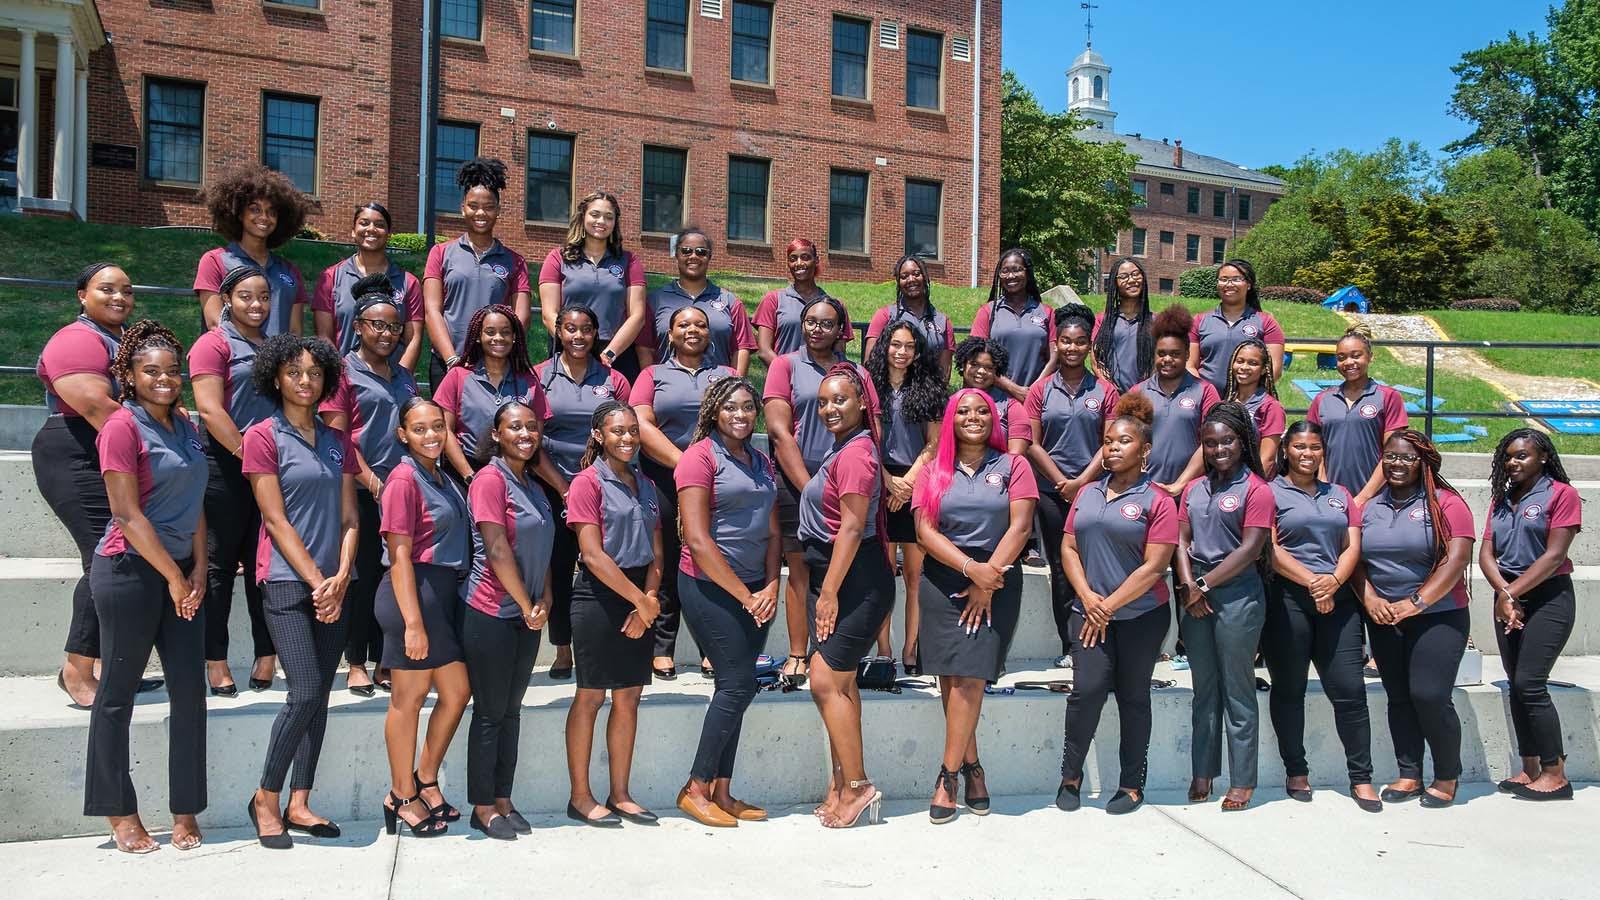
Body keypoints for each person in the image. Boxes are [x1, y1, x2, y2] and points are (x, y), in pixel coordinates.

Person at [84, 321, 208, 853]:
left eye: (171, 371)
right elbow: (127, 515)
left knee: (190, 693)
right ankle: (119, 811)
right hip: (130, 573)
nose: (163, 379)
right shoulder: (121, 427)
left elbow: (196, 501)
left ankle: (185, 810)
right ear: (128, 376)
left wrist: (200, 570)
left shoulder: (187, 425)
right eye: (149, 371)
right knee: (115, 696)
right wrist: (176, 576)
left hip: (182, 574)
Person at [241, 334, 360, 849]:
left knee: (321, 699)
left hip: (337, 584)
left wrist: (341, 576)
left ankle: (300, 801)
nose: (305, 381)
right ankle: (265, 797)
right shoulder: (262, 435)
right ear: (275, 377)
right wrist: (318, 582)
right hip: (290, 584)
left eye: (314, 373)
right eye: (294, 373)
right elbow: (274, 517)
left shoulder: (338, 441)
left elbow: (352, 516)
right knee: (305, 690)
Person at [35, 263, 162, 708]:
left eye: (127, 290)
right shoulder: (76, 339)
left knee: (121, 557)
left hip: (115, 452)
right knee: (105, 557)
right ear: (81, 295)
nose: (119, 297)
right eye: (106, 289)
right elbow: (95, 405)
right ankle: (77, 670)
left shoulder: (125, 342)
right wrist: (159, 447)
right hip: (75, 451)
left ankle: (109, 664)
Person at [913, 389, 1037, 823]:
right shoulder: (933, 470)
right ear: (950, 420)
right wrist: (970, 570)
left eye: (982, 410)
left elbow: (1020, 526)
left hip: (997, 579)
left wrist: (988, 578)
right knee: (950, 680)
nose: (973, 417)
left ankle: (946, 776)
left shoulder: (1014, 466)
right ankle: (973, 767)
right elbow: (925, 532)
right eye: (963, 411)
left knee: (970, 680)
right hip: (944, 579)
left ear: (994, 418)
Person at [1056, 393, 1177, 816]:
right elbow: (1068, 548)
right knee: (1086, 692)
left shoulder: (1159, 501)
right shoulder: (1087, 493)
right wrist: (1089, 599)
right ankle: (1070, 778)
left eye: (1122, 441)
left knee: (1133, 697)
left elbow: (1155, 567)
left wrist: (1106, 607)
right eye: (1108, 441)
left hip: (1140, 617)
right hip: (1087, 613)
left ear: (1144, 450)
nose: (1112, 448)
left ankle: (1131, 785)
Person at [673, 377, 782, 828]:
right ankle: (694, 787)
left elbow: (775, 529)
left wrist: (772, 585)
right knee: (738, 685)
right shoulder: (698, 459)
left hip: (757, 588)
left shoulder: (760, 460)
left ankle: (721, 789)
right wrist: (746, 595)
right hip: (709, 587)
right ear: (714, 412)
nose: (741, 415)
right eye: (731, 408)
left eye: (749, 408)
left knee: (735, 688)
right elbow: (697, 539)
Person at [762, 296, 879, 687]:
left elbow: (874, 424)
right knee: (800, 568)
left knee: (845, 561)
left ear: (841, 329)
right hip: (801, 480)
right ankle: (799, 652)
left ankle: (833, 648)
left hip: (845, 476)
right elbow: (778, 430)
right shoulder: (785, 364)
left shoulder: (856, 372)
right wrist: (809, 485)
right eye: (811, 321)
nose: (817, 329)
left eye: (827, 323)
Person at [1264, 421, 1379, 812]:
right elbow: (1271, 550)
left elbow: (1352, 546)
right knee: (1289, 690)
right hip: (1289, 600)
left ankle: (1361, 777)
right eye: (1299, 447)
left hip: (1339, 601)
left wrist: (1332, 582)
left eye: (1314, 447)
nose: (1307, 454)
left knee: (1349, 691)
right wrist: (1315, 582)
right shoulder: (1269, 493)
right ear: (1286, 450)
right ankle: (1296, 770)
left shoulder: (1340, 494)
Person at [800, 364, 894, 829]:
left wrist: (829, 593)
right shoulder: (844, 448)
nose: (829, 408)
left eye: (840, 399)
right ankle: (841, 783)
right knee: (842, 683)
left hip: (856, 583)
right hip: (839, 579)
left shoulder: (856, 454)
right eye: (822, 402)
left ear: (861, 403)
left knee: (824, 680)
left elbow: (853, 527)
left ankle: (857, 786)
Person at [1360, 430, 1474, 809]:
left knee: (1429, 695)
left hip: (1438, 615)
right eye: (1390, 456)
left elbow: (1456, 560)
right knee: (1399, 697)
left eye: (1406, 458)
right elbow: (1354, 559)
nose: (1396, 464)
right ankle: (1409, 773)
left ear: (1425, 462)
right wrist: (1370, 597)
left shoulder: (1447, 503)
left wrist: (1417, 602)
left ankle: (1446, 775)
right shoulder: (1370, 507)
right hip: (1384, 615)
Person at [563, 402, 664, 827]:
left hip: (641, 593)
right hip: (598, 596)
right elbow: (592, 554)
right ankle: (581, 797)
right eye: (617, 431)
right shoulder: (587, 483)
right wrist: (640, 601)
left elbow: (659, 552)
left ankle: (620, 793)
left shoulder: (646, 484)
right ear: (599, 436)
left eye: (632, 431)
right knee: (590, 697)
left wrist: (650, 598)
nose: (626, 438)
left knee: (629, 697)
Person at [375, 398, 472, 838]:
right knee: (408, 701)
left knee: (456, 692)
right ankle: (401, 795)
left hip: (442, 595)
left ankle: (425, 777)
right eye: (420, 429)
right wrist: (413, 623)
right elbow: (399, 556)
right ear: (403, 434)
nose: (432, 435)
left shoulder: (440, 476)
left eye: (438, 426)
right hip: (413, 595)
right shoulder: (402, 479)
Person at [320, 276, 421, 696]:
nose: (386, 333)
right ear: (358, 326)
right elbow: (337, 435)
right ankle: (356, 661)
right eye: (376, 325)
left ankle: (386, 659)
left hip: (400, 491)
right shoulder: (343, 372)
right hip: (358, 489)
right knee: (360, 576)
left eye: (393, 327)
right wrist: (373, 480)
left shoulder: (403, 376)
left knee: (392, 576)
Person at [461, 401, 556, 840]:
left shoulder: (533, 485)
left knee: (512, 712)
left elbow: (544, 550)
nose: (525, 433)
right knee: (490, 713)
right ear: (496, 434)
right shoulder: (488, 479)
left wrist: (545, 599)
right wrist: (524, 603)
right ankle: (482, 806)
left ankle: (503, 797)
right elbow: (496, 548)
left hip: (528, 613)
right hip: (492, 612)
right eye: (514, 427)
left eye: (532, 427)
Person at [1176, 402, 1273, 812]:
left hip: (1237, 595)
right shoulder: (1194, 490)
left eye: (1227, 441)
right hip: (1195, 595)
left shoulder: (1257, 490)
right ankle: (1203, 770)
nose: (1218, 449)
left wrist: (1201, 584)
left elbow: (1251, 549)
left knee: (1237, 689)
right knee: (1204, 688)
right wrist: (1188, 586)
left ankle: (1243, 779)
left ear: (1243, 441)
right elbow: (1179, 540)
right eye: (1211, 443)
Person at [188, 267, 281, 695]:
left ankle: (267, 654)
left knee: (265, 565)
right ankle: (216, 660)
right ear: (227, 298)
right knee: (221, 567)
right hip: (227, 467)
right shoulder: (214, 343)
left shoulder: (276, 347)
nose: (257, 305)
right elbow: (209, 409)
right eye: (246, 296)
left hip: (271, 469)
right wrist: (250, 457)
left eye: (263, 297)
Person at [631, 305, 736, 678]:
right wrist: (685, 463)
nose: (693, 330)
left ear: (710, 334)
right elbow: (641, 424)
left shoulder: (725, 374)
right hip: (662, 478)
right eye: (683, 324)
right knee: (667, 561)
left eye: (700, 325)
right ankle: (662, 646)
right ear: (670, 334)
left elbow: (740, 420)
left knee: (712, 559)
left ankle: (712, 645)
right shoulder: (651, 375)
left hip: (718, 480)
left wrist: (704, 470)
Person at [1482, 429, 1582, 801]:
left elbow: (1554, 555)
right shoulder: (1502, 499)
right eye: (1509, 456)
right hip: (1507, 597)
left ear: (1543, 457)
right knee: (1515, 684)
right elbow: (1486, 554)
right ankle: (1530, 767)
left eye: (1522, 455)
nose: (1513, 462)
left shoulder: (1562, 494)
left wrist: (1511, 593)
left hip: (1548, 597)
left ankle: (1556, 773)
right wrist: (1504, 594)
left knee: (1530, 683)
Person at [536, 304, 633, 679]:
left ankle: (609, 641)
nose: (578, 336)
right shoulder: (540, 377)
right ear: (558, 332)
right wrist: (563, 488)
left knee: (607, 566)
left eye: (586, 329)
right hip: (553, 486)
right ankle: (563, 650)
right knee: (560, 568)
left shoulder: (613, 380)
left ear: (596, 334)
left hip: (606, 488)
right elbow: (533, 443)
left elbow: (624, 437)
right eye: (571, 329)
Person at [1024, 302, 1117, 662]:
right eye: (1065, 341)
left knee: (1096, 565)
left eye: (1080, 342)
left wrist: (1081, 481)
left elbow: (1110, 443)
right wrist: (1062, 480)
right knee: (1062, 569)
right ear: (1057, 344)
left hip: (1096, 491)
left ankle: (1102, 634)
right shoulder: (1040, 390)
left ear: (1088, 346)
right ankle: (1070, 643)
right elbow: (1031, 442)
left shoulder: (1105, 391)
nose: (1072, 348)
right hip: (1050, 491)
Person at [865, 320, 946, 672]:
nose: (901, 352)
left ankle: (911, 650)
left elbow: (935, 442)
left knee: (914, 577)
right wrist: (888, 482)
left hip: (916, 485)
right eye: (896, 345)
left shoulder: (928, 389)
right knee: (882, 574)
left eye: (909, 346)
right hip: (878, 483)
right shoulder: (869, 387)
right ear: (885, 346)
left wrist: (907, 482)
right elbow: (862, 438)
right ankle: (884, 648)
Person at [423, 158, 532, 388]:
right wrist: (452, 360)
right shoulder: (441, 253)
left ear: (498, 211)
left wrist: (499, 356)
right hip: (447, 363)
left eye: (489, 207)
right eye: (473, 206)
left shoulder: (515, 261)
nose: (480, 212)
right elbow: (432, 310)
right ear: (462, 208)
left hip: (496, 366)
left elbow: (520, 318)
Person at [539, 190, 650, 381]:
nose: (601, 221)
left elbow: (637, 316)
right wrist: (573, 343)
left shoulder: (629, 261)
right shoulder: (558, 258)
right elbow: (549, 313)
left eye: (609, 217)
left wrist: (610, 353)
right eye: (595, 214)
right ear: (583, 217)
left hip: (616, 353)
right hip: (568, 349)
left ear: (615, 223)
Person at [433, 304, 552, 482]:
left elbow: (535, 439)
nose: (498, 338)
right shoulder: (457, 376)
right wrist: (469, 476)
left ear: (514, 337)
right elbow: (445, 431)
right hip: (466, 473)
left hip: (515, 475)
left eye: (505, 332)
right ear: (479, 337)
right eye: (490, 332)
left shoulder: (529, 382)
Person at [194, 164, 311, 335]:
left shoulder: (290, 271)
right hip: (235, 360)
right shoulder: (215, 261)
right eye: (255, 209)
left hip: (281, 361)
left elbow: (295, 331)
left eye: (272, 212)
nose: (264, 217)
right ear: (239, 213)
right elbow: (216, 324)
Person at [313, 202, 424, 369]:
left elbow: (413, 339)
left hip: (392, 384)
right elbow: (324, 336)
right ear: (352, 231)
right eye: (364, 223)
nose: (371, 229)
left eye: (379, 225)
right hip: (345, 380)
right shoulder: (330, 277)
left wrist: (400, 380)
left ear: (388, 234)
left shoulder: (408, 283)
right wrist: (341, 379)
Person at [1307, 327, 1408, 503]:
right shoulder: (1322, 399)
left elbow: (1393, 453)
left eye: (1356, 355)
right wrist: (1323, 489)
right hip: (1329, 498)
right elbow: (1315, 449)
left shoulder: (1389, 397)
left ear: (1370, 357)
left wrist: (1364, 497)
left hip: (1376, 498)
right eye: (1341, 357)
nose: (1348, 362)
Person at [1132, 305, 1220, 500]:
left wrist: (1181, 484)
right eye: (1162, 353)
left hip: (1192, 492)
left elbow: (1210, 442)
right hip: (1144, 491)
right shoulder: (1138, 392)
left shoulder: (1205, 391)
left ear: (1187, 355)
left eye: (1175, 354)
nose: (1168, 359)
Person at [642, 227, 755, 374]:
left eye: (701, 252)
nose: (693, 256)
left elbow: (741, 349)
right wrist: (652, 383)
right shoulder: (655, 300)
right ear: (676, 254)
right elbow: (645, 348)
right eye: (686, 251)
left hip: (718, 391)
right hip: (668, 390)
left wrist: (734, 388)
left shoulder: (729, 301)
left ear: (709, 256)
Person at [1188, 260, 1284, 393]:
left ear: (1249, 284)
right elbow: (1190, 365)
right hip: (1207, 401)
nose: (1229, 284)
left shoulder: (1266, 322)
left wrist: (1245, 398)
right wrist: (1205, 396)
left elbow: (1275, 369)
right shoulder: (1199, 321)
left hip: (1249, 403)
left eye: (1236, 279)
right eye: (1224, 279)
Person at [971, 248, 1055, 398]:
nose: (1011, 276)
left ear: (1027, 273)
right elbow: (977, 360)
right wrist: (1015, 389)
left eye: (1017, 270)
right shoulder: (987, 312)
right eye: (1005, 271)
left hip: (1037, 398)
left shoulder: (1047, 312)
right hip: (996, 398)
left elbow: (1055, 359)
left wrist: (1033, 391)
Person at [753, 238, 853, 363]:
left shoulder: (835, 306)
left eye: (805, 257)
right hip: (784, 378)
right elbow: (764, 351)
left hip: (822, 379)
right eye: (793, 259)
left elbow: (839, 353)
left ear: (816, 260)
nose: (799, 263)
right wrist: (788, 373)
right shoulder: (773, 300)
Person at [863, 255, 955, 380]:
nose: (911, 279)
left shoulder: (942, 321)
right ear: (898, 282)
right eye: (904, 276)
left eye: (916, 274)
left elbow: (944, 371)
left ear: (925, 277)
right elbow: (869, 362)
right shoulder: (885, 315)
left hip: (929, 393)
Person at [955, 337, 1032, 454]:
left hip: (1000, 470)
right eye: (974, 364)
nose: (981, 371)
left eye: (989, 367)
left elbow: (1016, 456)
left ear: (996, 372)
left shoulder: (1011, 407)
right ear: (963, 365)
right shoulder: (949, 403)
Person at [1225, 338, 1286, 480]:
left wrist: (1248, 489)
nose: (1244, 367)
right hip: (1223, 481)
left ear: (1264, 369)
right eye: (1240, 361)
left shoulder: (1271, 407)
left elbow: (1267, 460)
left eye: (1253, 363)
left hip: (1253, 484)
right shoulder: (1226, 401)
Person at [1091, 258, 1153, 392]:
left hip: (1146, 395)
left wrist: (1143, 389)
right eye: (1124, 277)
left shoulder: (1156, 321)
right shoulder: (1103, 320)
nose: (1131, 280)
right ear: (1115, 283)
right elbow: (1095, 360)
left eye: (1136, 274)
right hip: (1111, 396)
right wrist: (1110, 389)